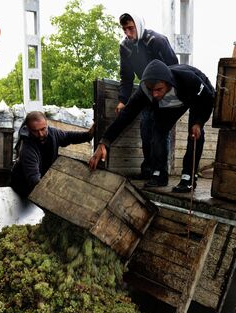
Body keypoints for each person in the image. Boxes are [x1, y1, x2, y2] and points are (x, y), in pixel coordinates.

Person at [89, 60, 215, 193]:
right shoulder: (145, 91)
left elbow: (208, 100)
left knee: (194, 133)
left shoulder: (189, 79)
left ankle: (188, 177)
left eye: (158, 89)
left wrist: (199, 122)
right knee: (158, 131)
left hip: (197, 97)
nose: (154, 94)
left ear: (168, 83)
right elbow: (126, 115)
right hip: (170, 101)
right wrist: (104, 142)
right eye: (151, 90)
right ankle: (160, 174)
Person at [117, 12, 178, 180]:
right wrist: (122, 100)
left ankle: (160, 171)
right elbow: (126, 77)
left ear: (138, 25)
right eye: (124, 29)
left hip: (165, 92)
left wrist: (169, 95)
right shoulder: (125, 47)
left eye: (131, 28)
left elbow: (175, 67)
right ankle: (148, 169)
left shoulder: (157, 41)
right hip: (146, 91)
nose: (128, 33)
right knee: (146, 130)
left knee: (160, 131)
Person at [10, 111, 95, 197]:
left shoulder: (53, 133)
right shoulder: (27, 149)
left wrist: (88, 135)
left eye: (43, 129)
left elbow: (69, 137)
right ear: (28, 129)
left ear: (47, 125)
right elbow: (34, 180)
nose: (41, 134)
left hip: (40, 181)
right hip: (22, 190)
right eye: (35, 131)